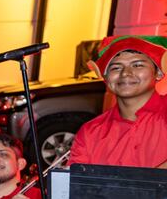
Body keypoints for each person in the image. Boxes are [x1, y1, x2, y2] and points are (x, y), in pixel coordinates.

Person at [72, 35, 167, 168]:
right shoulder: (90, 132)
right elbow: (77, 184)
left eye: (138, 65)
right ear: (105, 78)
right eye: (116, 67)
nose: (125, 73)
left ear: (158, 73)